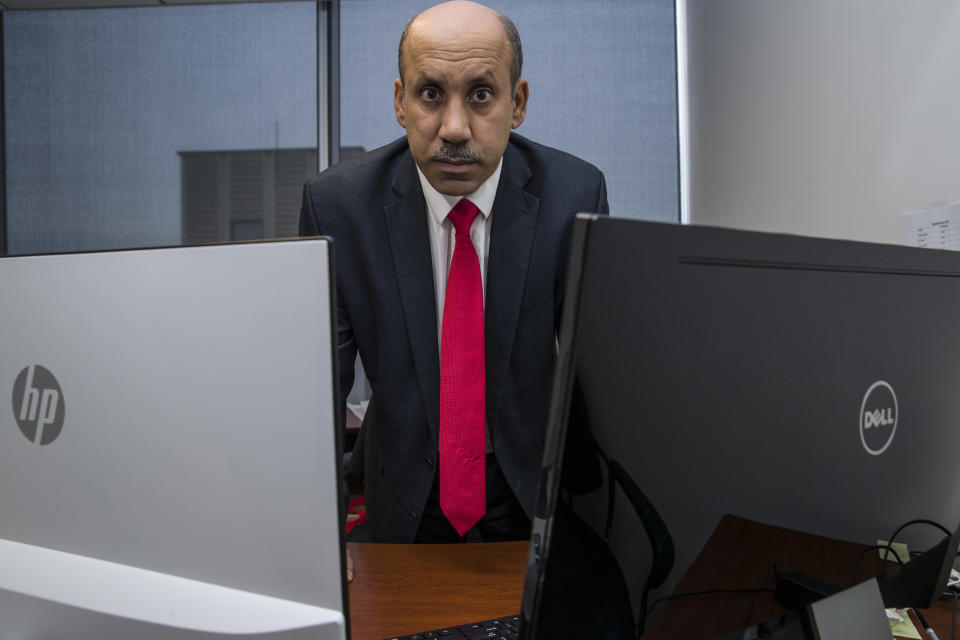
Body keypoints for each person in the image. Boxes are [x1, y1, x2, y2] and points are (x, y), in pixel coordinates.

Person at [299, 0, 608, 543]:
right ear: (401, 101)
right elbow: (310, 392)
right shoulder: (339, 208)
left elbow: (605, 383)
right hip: (403, 495)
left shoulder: (574, 196)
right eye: (430, 94)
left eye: (482, 95)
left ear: (518, 103)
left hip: (529, 497)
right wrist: (315, 540)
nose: (455, 127)